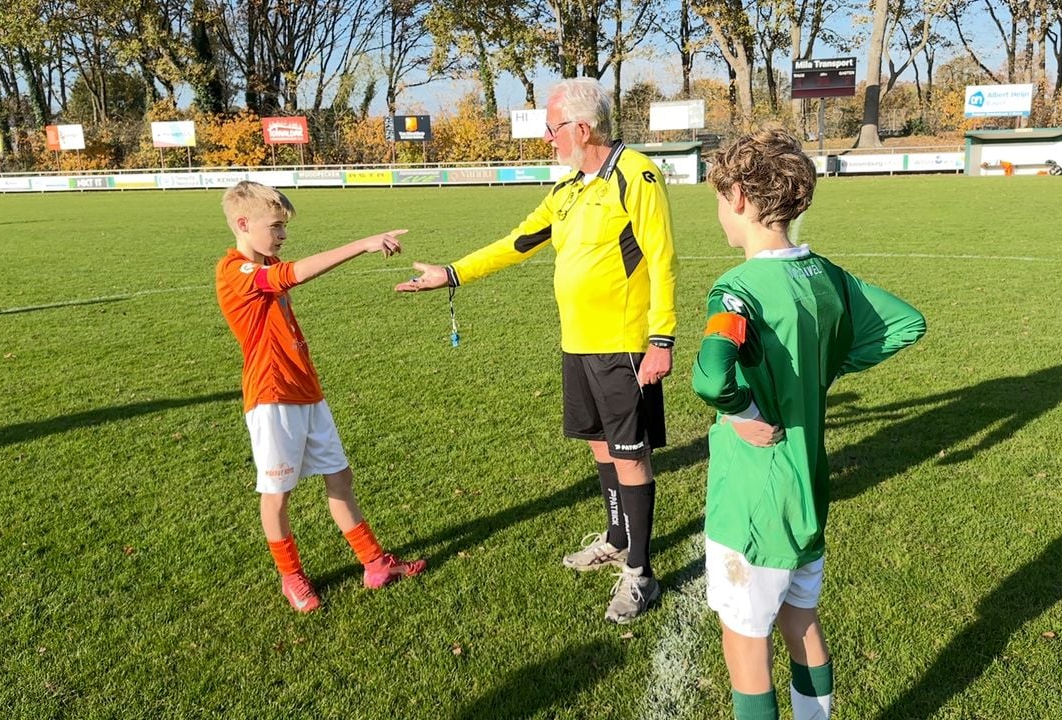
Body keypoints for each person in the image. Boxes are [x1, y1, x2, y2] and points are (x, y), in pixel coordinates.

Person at [395, 77, 678, 623]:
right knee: (599, 446)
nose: (548, 138)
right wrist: (451, 273)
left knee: (630, 455)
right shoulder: (567, 190)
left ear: (582, 127)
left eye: (553, 128)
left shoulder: (635, 175)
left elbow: (662, 259)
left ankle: (640, 572)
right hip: (578, 346)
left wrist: (661, 339)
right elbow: (516, 243)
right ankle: (618, 539)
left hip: (624, 347)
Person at [692, 126, 927, 720]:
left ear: (740, 197)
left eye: (719, 198)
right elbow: (905, 323)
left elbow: (710, 378)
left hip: (754, 496)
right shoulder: (826, 275)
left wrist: (743, 411)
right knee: (801, 620)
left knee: (746, 645)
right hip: (809, 492)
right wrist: (817, 370)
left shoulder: (736, 289)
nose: (718, 211)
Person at [215, 181, 426, 613]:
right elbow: (287, 274)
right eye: (275, 226)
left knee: (340, 477)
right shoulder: (234, 271)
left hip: (307, 392)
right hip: (271, 398)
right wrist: (363, 244)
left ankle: (375, 564)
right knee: (277, 494)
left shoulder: (263, 264)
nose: (282, 235)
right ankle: (291, 577)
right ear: (243, 223)